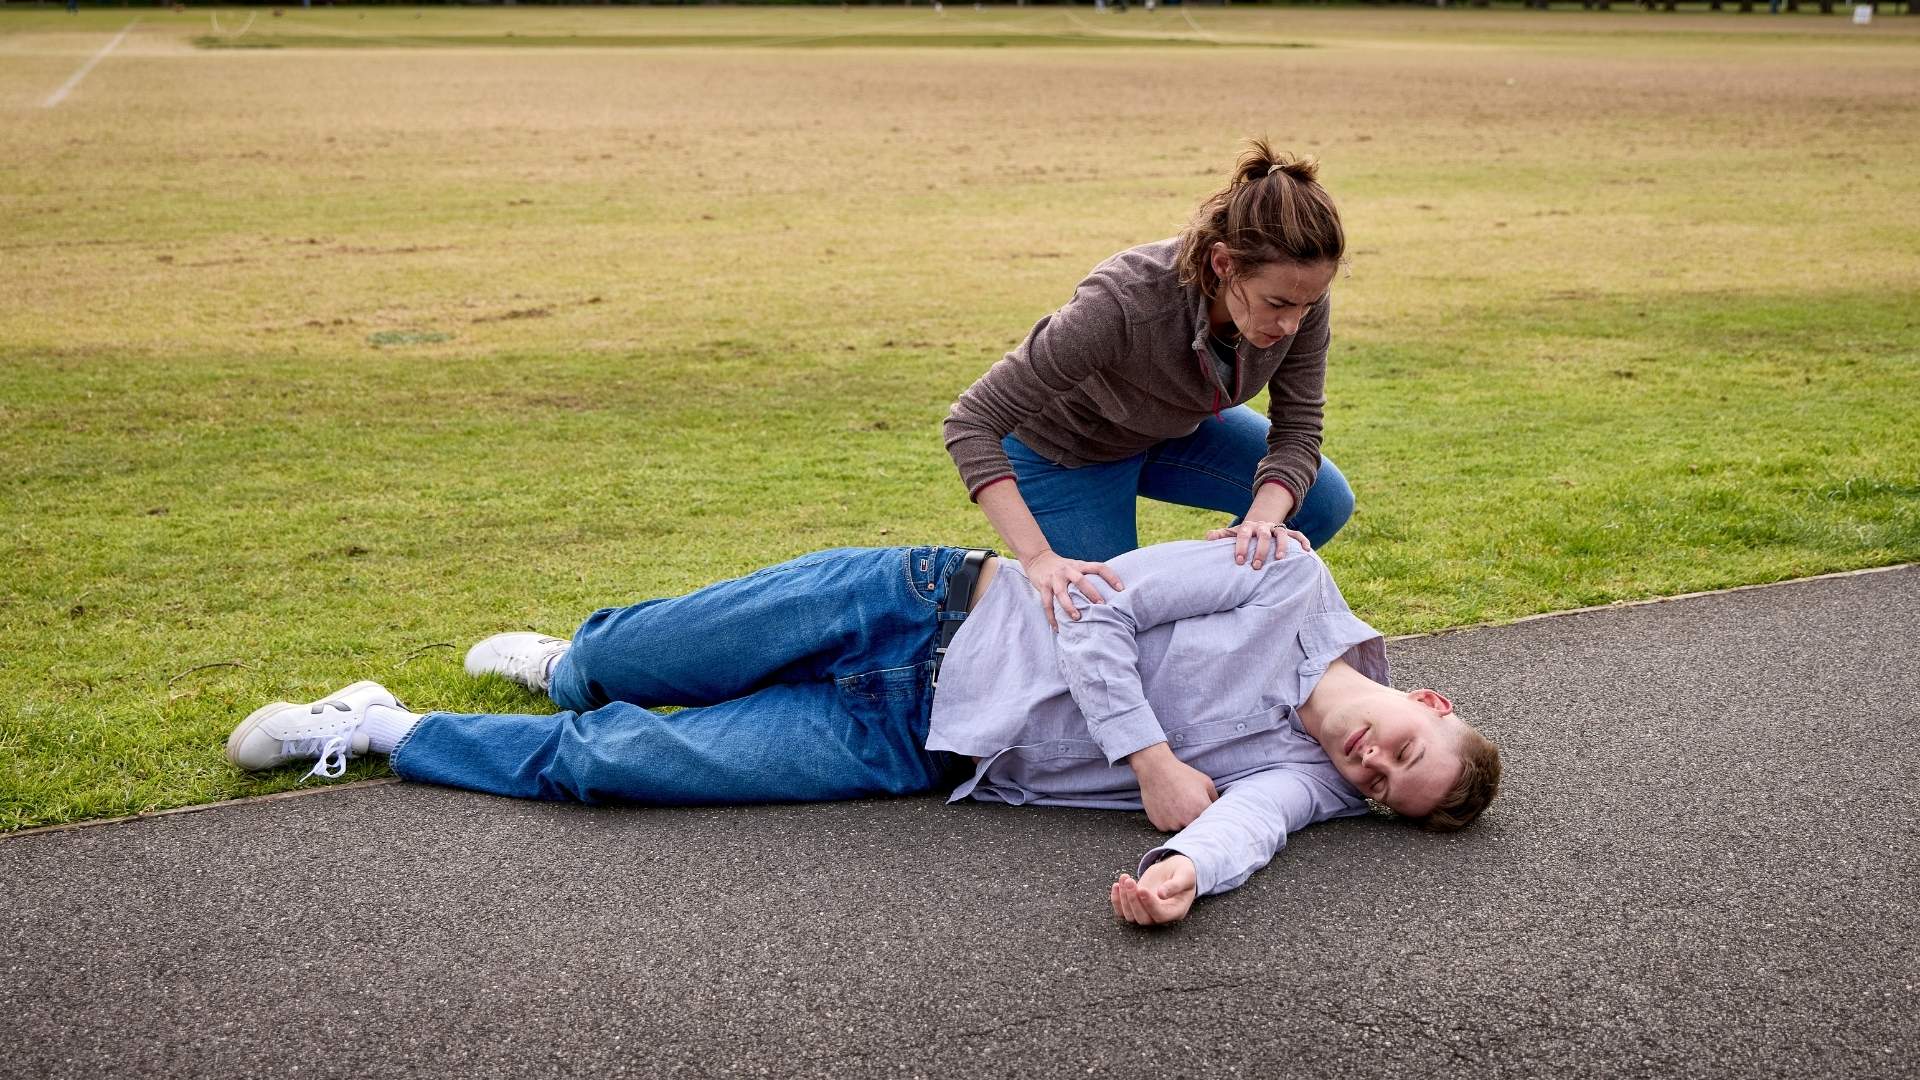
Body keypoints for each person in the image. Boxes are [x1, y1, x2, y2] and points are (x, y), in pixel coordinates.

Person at [227, 538, 1500, 926]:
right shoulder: (1286, 577)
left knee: (625, 766)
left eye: (1385, 791)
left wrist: (1177, 876)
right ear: (1423, 699)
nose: (1371, 768)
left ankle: (385, 728)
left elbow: (1249, 828)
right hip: (925, 602)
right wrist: (1153, 762)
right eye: (1402, 748)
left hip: (914, 746)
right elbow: (1097, 607)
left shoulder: (1303, 781)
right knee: (632, 659)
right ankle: (570, 660)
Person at [945, 139, 1354, 629]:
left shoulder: (1298, 293)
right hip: (1064, 451)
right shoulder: (1123, 303)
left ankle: (1203, 631)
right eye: (1279, 305)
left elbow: (1299, 428)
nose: (1292, 324)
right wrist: (1038, 560)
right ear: (1224, 264)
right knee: (1107, 615)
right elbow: (970, 421)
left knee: (1321, 502)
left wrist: (1261, 522)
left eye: (1308, 305)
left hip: (1170, 431)